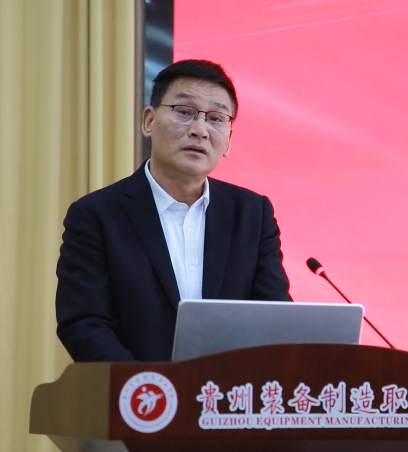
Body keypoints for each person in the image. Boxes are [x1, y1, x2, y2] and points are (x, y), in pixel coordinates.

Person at [55, 59, 292, 362]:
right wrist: (147, 385)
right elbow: (84, 323)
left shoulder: (252, 215)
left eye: (216, 118)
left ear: (228, 140)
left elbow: (276, 319)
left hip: (229, 390)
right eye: (184, 112)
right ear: (149, 121)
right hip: (138, 390)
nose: (200, 130)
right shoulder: (96, 215)